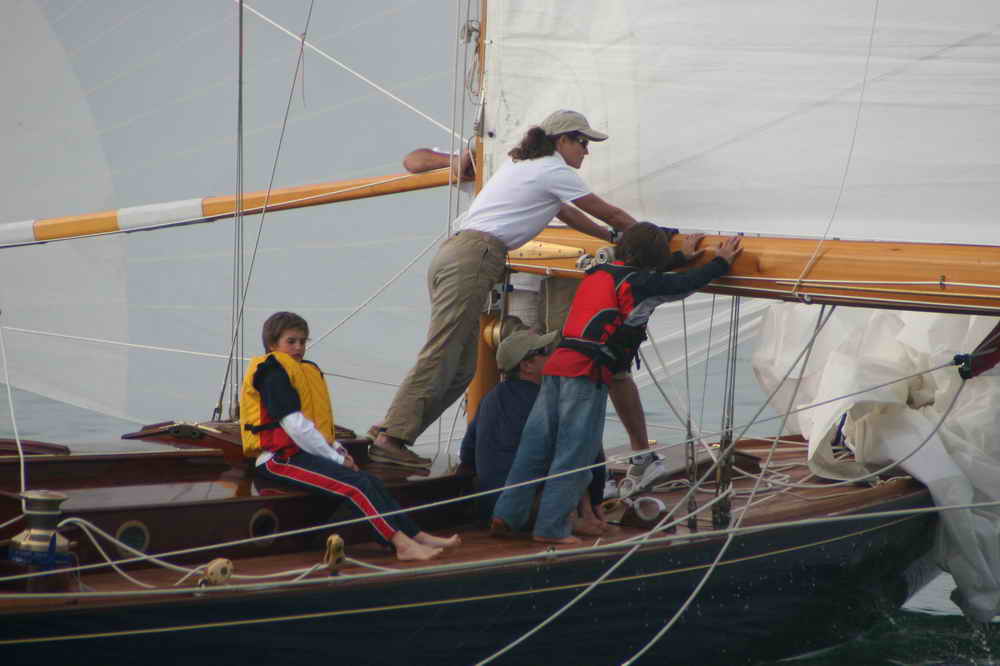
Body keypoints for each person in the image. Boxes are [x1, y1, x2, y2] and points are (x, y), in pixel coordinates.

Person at [372, 109, 639, 468]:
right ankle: (391, 437)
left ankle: (394, 433)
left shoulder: (524, 166)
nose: (586, 150)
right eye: (582, 142)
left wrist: (611, 238)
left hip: (461, 254)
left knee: (463, 367)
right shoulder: (552, 169)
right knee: (443, 350)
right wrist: (647, 237)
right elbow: (609, 212)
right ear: (561, 141)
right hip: (476, 256)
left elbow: (569, 214)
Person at [491, 223, 743, 545]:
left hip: (556, 365)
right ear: (654, 256)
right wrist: (720, 262)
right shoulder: (640, 284)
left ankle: (507, 515)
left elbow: (644, 277)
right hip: (585, 372)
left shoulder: (600, 271)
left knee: (535, 447)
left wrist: (680, 257)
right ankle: (550, 528)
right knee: (575, 452)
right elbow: (682, 285)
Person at [240, 311, 461, 561]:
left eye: (302, 341)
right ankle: (402, 545)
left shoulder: (303, 371)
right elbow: (295, 426)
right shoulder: (273, 372)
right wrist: (336, 459)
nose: (299, 347)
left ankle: (417, 535)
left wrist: (340, 452)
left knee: (370, 481)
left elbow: (319, 428)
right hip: (278, 459)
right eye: (291, 341)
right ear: (272, 344)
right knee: (356, 487)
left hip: (304, 453)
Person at [459, 328, 608, 533]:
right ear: (527, 365)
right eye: (546, 351)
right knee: (574, 455)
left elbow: (467, 454)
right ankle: (577, 519)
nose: (554, 355)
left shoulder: (489, 399)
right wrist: (597, 499)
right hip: (527, 508)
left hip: (489, 508)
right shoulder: (547, 403)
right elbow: (589, 453)